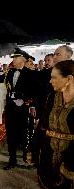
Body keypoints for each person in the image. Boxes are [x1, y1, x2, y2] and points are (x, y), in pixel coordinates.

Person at [37, 60, 74, 188]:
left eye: (54, 77)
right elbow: (42, 124)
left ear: (69, 78)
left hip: (70, 159)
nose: (50, 81)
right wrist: (34, 148)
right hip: (48, 155)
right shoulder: (52, 97)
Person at [4, 48, 37, 170]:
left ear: (22, 59)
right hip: (10, 107)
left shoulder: (31, 73)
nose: (13, 60)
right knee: (10, 133)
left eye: (15, 58)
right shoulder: (10, 73)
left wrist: (25, 97)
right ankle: (11, 159)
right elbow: (7, 88)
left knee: (23, 133)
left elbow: (34, 91)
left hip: (23, 108)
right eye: (13, 58)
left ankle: (25, 156)